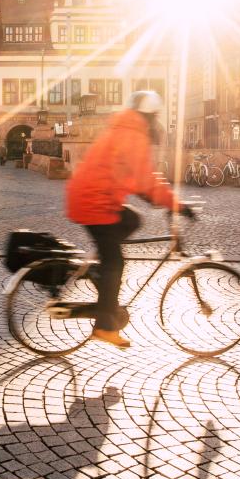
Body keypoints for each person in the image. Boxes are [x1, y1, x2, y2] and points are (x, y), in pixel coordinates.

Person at [64, 90, 192, 348]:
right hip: (95, 202)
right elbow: (145, 179)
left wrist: (153, 196)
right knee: (115, 263)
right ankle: (104, 327)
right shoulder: (133, 133)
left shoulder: (123, 127)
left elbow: (134, 176)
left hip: (94, 197)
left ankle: (101, 268)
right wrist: (176, 205)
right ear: (149, 115)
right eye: (154, 116)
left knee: (132, 220)